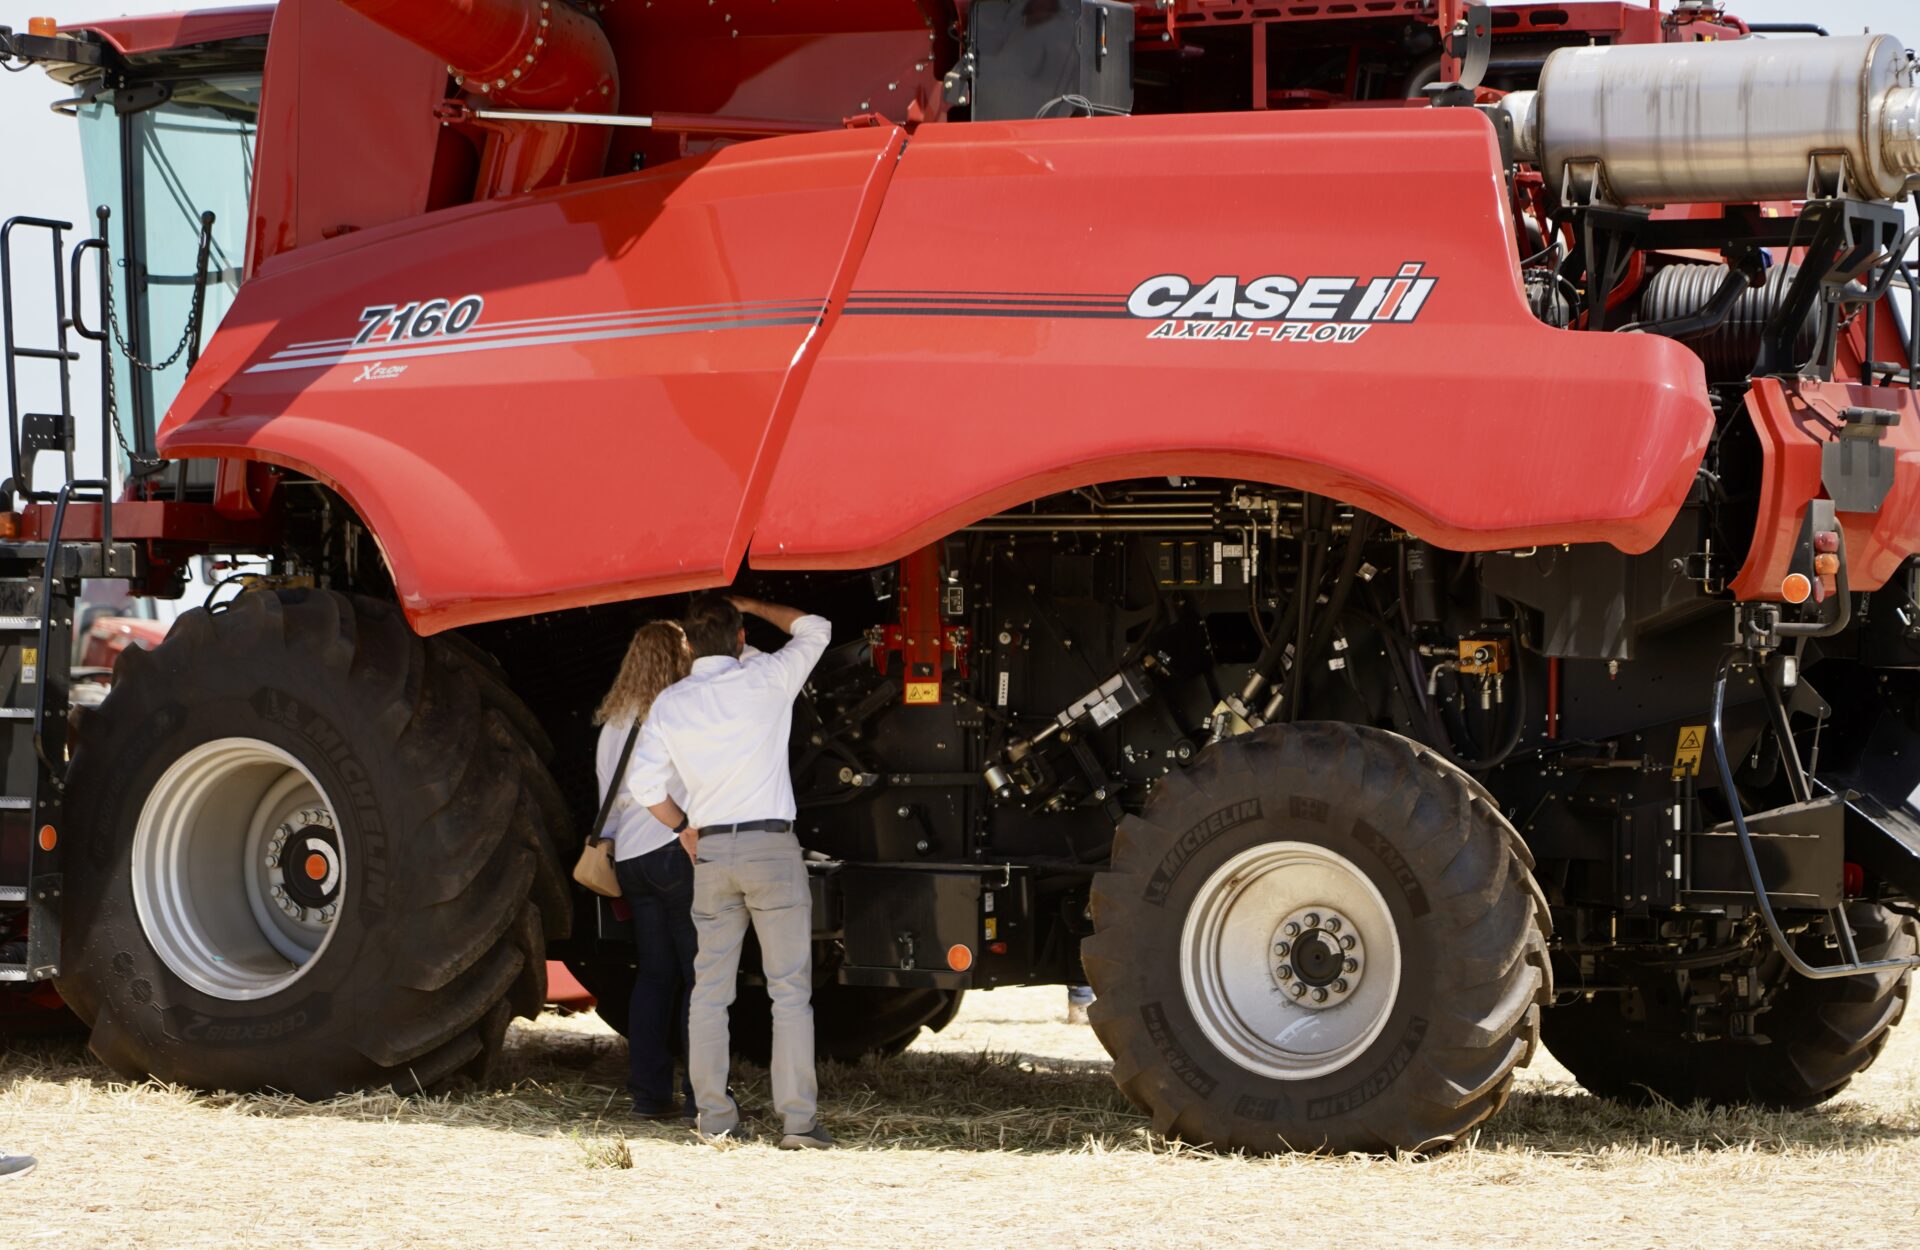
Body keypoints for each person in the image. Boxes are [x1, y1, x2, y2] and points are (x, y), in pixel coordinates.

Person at [631, 592, 833, 1150]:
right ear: (741, 639)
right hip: (772, 849)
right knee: (789, 991)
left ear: (689, 645)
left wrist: (683, 829)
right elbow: (815, 625)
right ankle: (798, 1123)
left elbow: (644, 787)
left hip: (713, 853)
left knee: (709, 993)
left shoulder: (672, 703)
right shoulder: (767, 677)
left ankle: (715, 1121)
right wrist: (754, 604)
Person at [594, 621, 697, 1121]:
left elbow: (607, 804)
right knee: (702, 977)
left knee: (655, 976)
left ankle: (649, 1095)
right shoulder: (679, 713)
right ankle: (705, 1096)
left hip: (632, 859)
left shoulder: (615, 722)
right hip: (676, 850)